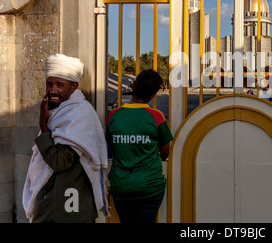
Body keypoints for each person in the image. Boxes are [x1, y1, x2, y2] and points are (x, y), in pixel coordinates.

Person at [22, 53, 109, 223]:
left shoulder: (79, 114)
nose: (52, 90)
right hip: (56, 205)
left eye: (59, 85)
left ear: (73, 86)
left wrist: (43, 125)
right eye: (49, 84)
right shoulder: (62, 111)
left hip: (66, 209)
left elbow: (60, 161)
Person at [106, 69, 173, 223]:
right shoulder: (157, 117)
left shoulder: (113, 115)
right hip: (150, 187)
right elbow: (165, 152)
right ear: (152, 96)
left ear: (133, 87)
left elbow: (112, 146)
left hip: (121, 186)